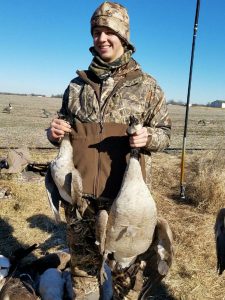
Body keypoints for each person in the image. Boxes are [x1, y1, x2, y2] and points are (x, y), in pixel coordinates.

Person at [47, 2, 172, 299]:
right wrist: (54, 133)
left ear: (124, 37)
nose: (101, 38)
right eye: (96, 32)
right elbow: (64, 127)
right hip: (81, 203)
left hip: (127, 206)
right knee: (83, 276)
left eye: (109, 32)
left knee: (125, 280)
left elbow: (165, 135)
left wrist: (148, 137)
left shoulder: (147, 86)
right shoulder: (76, 86)